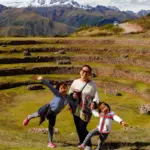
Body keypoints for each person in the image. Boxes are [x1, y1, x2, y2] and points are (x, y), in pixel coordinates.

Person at [23, 76, 68, 148]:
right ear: (58, 89)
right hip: (47, 109)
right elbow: (49, 86)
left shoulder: (67, 97)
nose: (64, 89)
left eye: (65, 88)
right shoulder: (57, 94)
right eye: (62, 88)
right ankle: (29, 117)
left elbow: (67, 103)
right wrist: (42, 79)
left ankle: (50, 142)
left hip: (54, 114)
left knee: (51, 127)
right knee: (38, 114)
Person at [69, 65, 100, 149]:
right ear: (80, 71)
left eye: (87, 72)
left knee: (82, 127)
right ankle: (81, 142)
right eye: (83, 70)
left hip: (86, 110)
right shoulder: (75, 82)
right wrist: (70, 104)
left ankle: (88, 145)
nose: (84, 73)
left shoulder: (92, 84)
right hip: (76, 108)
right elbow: (70, 94)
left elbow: (96, 97)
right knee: (77, 127)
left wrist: (94, 102)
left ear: (89, 74)